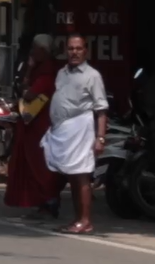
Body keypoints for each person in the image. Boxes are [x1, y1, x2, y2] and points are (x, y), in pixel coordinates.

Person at [41, 34, 109, 233]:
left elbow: (101, 109)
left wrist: (100, 138)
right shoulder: (62, 73)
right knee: (72, 176)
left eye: (78, 48)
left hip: (81, 128)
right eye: (71, 48)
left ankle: (86, 221)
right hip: (63, 130)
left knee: (81, 176)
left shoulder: (92, 75)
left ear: (85, 51)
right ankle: (77, 219)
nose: (74, 52)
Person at [4, 34, 65, 218]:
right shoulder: (43, 69)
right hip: (33, 123)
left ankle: (49, 203)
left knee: (41, 166)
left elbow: (29, 94)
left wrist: (28, 75)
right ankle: (42, 203)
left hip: (41, 125)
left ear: (43, 51)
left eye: (35, 49)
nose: (32, 53)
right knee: (34, 165)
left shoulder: (47, 72)